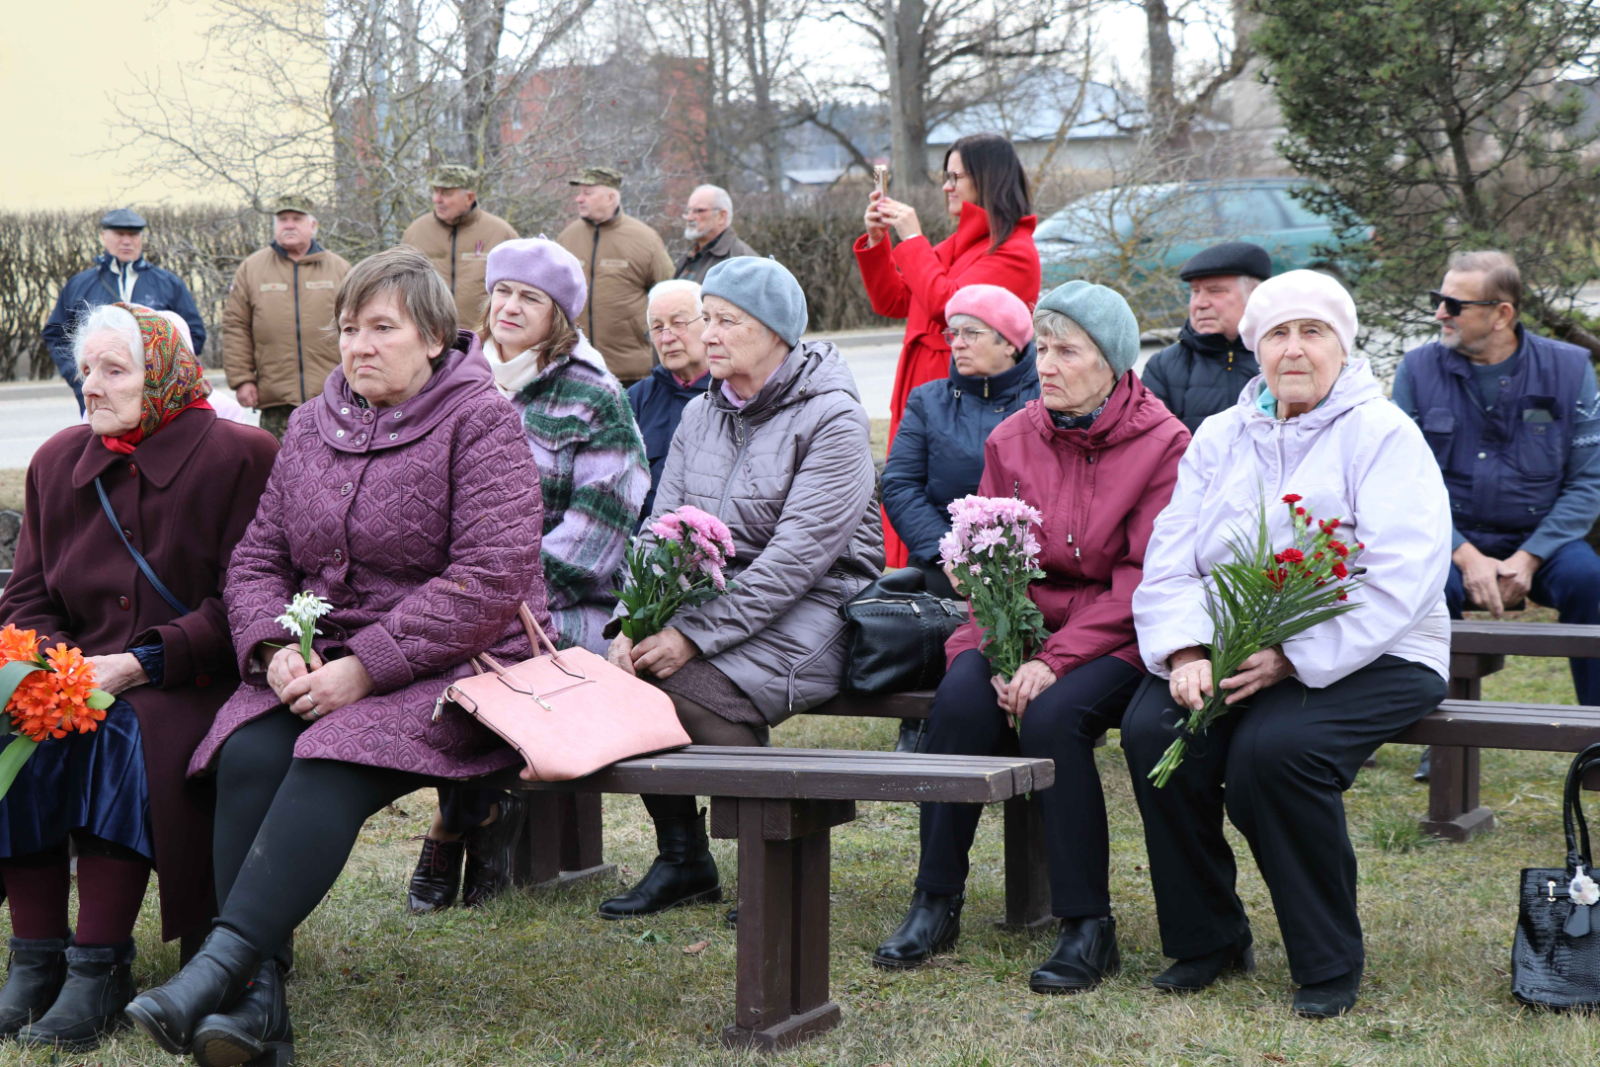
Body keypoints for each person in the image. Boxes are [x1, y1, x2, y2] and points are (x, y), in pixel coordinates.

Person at [122, 247, 549, 1066]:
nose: (359, 346)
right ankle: (251, 1009)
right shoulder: (314, 425)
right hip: (321, 660)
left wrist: (367, 665)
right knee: (246, 751)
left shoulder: (481, 418)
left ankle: (217, 971)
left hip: (454, 662)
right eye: (349, 327)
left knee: (328, 755)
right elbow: (257, 561)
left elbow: (492, 575)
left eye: (381, 328)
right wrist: (274, 646)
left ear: (431, 338)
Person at [1123, 270, 1451, 1019]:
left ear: (1343, 344)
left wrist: (1293, 657)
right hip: (1235, 643)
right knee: (1153, 729)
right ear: (1254, 347)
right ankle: (1207, 935)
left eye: (1313, 332)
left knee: (1275, 754)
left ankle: (1327, 956)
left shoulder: (1382, 432)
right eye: (1277, 333)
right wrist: (1185, 652)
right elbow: (1172, 556)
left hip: (1383, 647)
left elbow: (1402, 573)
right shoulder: (1220, 434)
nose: (1294, 349)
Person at [871, 282, 1189, 993]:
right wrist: (994, 648)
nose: (1046, 364)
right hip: (1019, 624)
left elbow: (1141, 580)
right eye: (1041, 347)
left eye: (1066, 349)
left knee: (1052, 714)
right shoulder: (1012, 435)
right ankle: (935, 897)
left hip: (1117, 634)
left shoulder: (1163, 442)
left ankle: (1087, 923)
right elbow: (989, 559)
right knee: (956, 700)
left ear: (1111, 361)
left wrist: (1051, 661)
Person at [0, 304, 276, 1050]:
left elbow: (250, 599)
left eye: (114, 370)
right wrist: (52, 670)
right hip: (80, 671)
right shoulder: (59, 461)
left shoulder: (240, 455)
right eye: (86, 369)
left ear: (168, 374)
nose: (91, 385)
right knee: (23, 722)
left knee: (121, 731)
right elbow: (27, 597)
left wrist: (143, 660)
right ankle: (35, 957)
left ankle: (99, 965)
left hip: (191, 680)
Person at [600, 257, 883, 919]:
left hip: (822, 606)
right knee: (628, 675)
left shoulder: (833, 419)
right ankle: (684, 857)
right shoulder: (703, 412)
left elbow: (795, 563)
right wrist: (631, 620)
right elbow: (658, 530)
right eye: (708, 319)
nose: (708, 335)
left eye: (726, 321)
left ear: (777, 334)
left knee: (693, 691)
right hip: (719, 599)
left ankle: (773, 870)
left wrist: (692, 636)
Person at [405, 238, 647, 914]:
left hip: (563, 604)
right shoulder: (452, 379)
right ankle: (481, 820)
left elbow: (602, 523)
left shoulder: (592, 395)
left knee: (482, 660)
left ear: (559, 316)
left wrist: (498, 596)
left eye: (530, 298)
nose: (510, 306)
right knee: (439, 653)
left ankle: (451, 826)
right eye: (503, 291)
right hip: (466, 596)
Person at [1393, 251, 1600, 707]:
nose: (1439, 313)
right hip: (1447, 537)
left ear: (1502, 314)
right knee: (1425, 584)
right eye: (1438, 298)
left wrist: (1529, 558)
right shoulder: (1417, 370)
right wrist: (1465, 555)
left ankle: (1597, 735)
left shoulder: (1569, 369)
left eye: (1454, 304)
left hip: (1541, 539)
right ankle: (1437, 729)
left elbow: (1589, 484)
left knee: (1590, 581)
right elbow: (1399, 484)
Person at [854, 132, 1041, 568]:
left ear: (987, 180)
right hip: (923, 394)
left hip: (963, 400)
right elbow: (893, 300)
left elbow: (948, 304)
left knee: (936, 499)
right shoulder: (958, 246)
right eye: (946, 176)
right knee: (905, 493)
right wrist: (880, 241)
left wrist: (913, 238)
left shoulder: (1015, 252)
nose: (946, 186)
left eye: (955, 176)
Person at [879, 283, 1040, 752]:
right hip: (944, 559)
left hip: (1026, 557)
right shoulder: (928, 401)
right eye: (953, 333)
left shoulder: (1045, 396)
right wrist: (949, 552)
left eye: (972, 332)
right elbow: (901, 484)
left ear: (1010, 341)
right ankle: (923, 718)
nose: (958, 343)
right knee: (932, 600)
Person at [43, 210, 208, 413]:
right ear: (104, 236)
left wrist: (167, 375)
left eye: (133, 235)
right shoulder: (80, 285)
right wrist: (78, 375)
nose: (127, 241)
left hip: (158, 395)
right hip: (99, 395)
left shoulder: (168, 284)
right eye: (120, 234)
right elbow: (56, 333)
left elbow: (193, 333)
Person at [222, 195, 353, 441]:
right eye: (283, 219)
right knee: (279, 471)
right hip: (276, 401)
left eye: (297, 219)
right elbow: (235, 326)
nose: (289, 225)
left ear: (313, 226)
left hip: (332, 396)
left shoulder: (340, 269)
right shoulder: (252, 268)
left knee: (336, 471)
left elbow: (357, 327)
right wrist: (242, 380)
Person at [557, 166, 676, 386]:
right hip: (575, 367)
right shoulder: (566, 239)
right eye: (579, 192)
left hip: (632, 373)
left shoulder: (645, 239)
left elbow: (669, 294)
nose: (579, 199)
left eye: (588, 193)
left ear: (611, 197)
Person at [1140, 241, 1271, 433]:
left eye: (1215, 291)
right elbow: (1154, 445)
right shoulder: (1163, 367)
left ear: (1254, 295)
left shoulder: (1283, 357)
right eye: (1195, 292)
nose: (1199, 304)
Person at [630, 280, 713, 523]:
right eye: (657, 327)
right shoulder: (636, 399)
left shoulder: (735, 393)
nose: (666, 338)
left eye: (678, 323)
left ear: (708, 323)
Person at [401, 164, 519, 329]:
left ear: (469, 198)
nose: (437, 199)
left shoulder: (502, 234)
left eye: (447, 193)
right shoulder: (415, 232)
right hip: (427, 338)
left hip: (484, 340)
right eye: (436, 191)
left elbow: (519, 289)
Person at [674, 184, 757, 283]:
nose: (689, 218)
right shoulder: (689, 256)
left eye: (698, 211)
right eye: (688, 211)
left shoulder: (743, 261)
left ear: (721, 217)